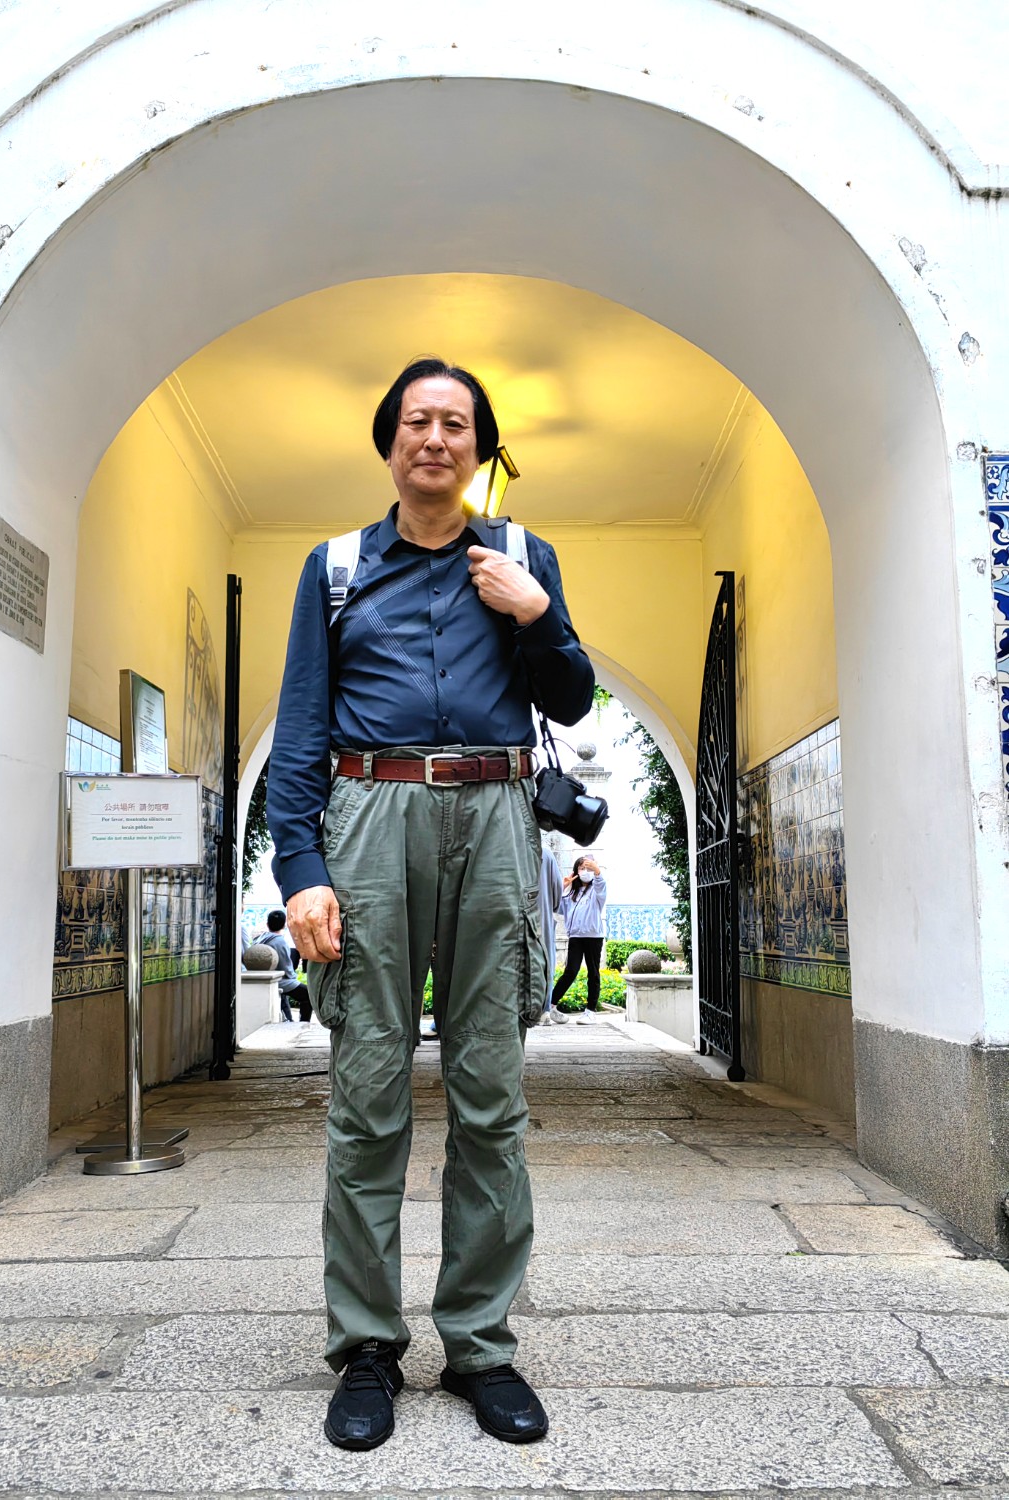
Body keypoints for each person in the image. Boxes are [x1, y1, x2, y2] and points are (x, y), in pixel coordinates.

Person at [266, 357, 594, 1451]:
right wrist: (301, 870)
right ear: (389, 441)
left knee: (490, 1094)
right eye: (418, 421)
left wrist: (538, 616)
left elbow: (571, 699)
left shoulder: (523, 556)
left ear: (481, 449)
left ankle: (481, 1346)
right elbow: (300, 729)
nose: (436, 439)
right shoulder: (336, 568)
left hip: (496, 818)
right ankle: (366, 1347)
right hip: (370, 818)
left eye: (457, 424)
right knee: (367, 1093)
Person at [550, 856, 607, 1023]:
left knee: (593, 973)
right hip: (575, 937)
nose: (585, 871)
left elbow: (601, 885)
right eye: (582, 868)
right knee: (570, 971)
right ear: (576, 871)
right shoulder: (571, 894)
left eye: (589, 868)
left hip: (593, 937)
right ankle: (550, 1005)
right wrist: (562, 887)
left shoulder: (596, 891)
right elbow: (556, 906)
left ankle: (590, 1011)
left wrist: (597, 871)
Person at [262, 909, 313, 1024]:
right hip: (280, 980)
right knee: (308, 994)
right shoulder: (279, 941)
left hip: (271, 977)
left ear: (267, 924)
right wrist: (293, 976)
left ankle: (289, 1019)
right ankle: (303, 1023)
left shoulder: (262, 938)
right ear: (284, 925)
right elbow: (286, 967)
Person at [537, 847, 568, 1026]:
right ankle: (543, 1011)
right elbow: (557, 893)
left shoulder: (503, 845)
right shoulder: (545, 853)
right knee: (545, 963)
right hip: (541, 919)